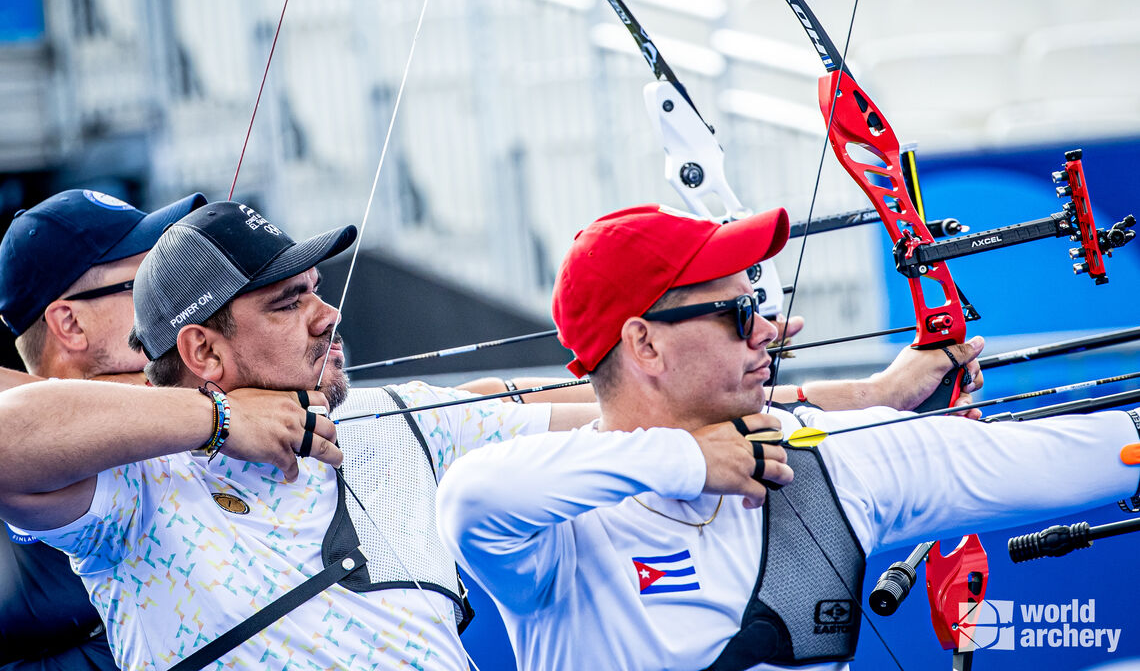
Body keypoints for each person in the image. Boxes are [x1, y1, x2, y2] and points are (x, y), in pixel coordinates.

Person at [435, 203, 1140, 671]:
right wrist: (686, 459)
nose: (769, 330)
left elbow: (1049, 459)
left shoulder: (820, 457)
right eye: (741, 311)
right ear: (644, 346)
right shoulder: (562, 528)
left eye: (764, 306)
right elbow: (469, 497)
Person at [0, 200, 602, 671]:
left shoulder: (390, 418)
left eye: (315, 288)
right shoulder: (139, 484)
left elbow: (618, 412)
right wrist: (222, 421)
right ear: (203, 350)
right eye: (289, 303)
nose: (328, 314)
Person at [0, 188, 205, 671]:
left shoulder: (171, 399)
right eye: (142, 283)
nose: (171, 292)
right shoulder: (28, 438)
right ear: (69, 323)